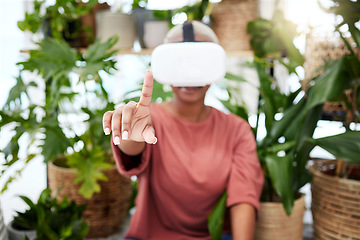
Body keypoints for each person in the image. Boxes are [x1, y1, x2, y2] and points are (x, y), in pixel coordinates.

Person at [102, 21, 264, 240]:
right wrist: (129, 133)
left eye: (200, 62)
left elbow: (243, 197)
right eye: (181, 63)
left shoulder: (236, 130)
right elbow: (132, 154)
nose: (191, 75)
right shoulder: (150, 121)